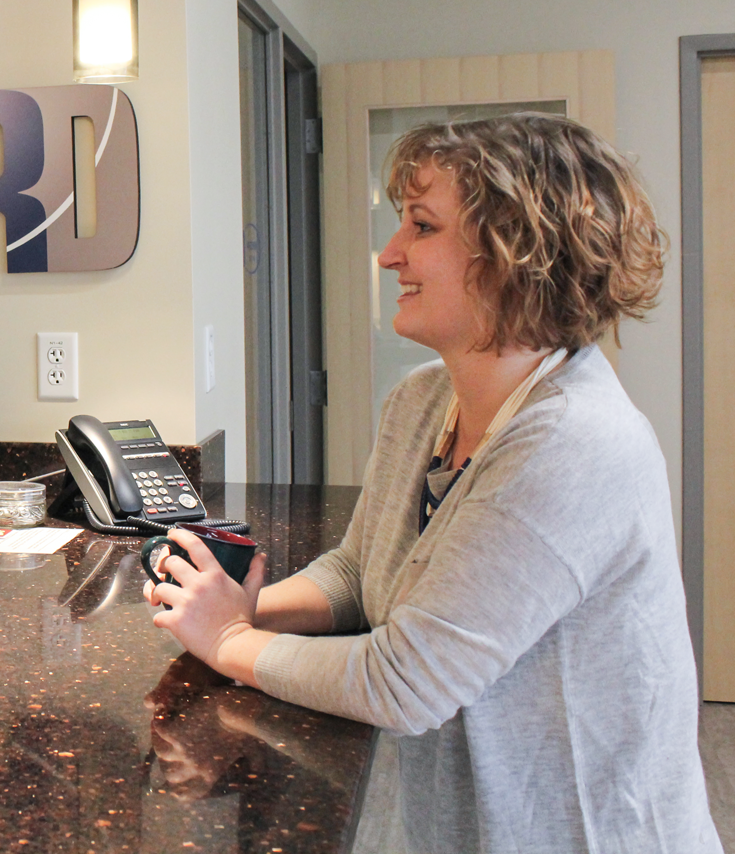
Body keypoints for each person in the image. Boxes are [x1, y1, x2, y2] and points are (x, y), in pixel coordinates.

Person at [145, 113, 721, 853]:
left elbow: (404, 682)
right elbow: (360, 574)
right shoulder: (424, 400)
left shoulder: (575, 443)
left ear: (519, 251)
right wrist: (241, 609)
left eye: (421, 226)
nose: (390, 254)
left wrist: (227, 640)